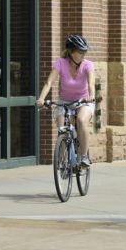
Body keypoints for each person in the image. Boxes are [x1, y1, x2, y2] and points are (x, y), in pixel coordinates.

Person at [37, 34, 97, 170]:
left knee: (81, 121)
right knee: (61, 128)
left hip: (84, 100)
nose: (83, 54)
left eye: (84, 52)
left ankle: (84, 157)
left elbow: (91, 84)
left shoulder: (88, 65)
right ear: (71, 52)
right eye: (80, 52)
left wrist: (91, 95)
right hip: (65, 101)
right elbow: (49, 82)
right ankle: (65, 159)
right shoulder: (60, 63)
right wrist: (41, 98)